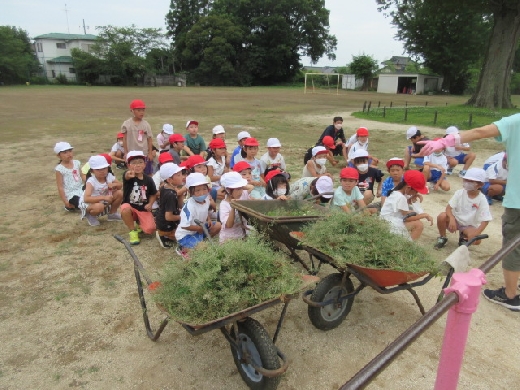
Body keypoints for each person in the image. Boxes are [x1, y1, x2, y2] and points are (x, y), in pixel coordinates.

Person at [418, 114, 520, 310]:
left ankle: (510, 295)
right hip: (463, 220)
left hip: (518, 201)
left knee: (513, 247)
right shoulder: (461, 193)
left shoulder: (516, 121)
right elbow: (449, 207)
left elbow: (480, 132)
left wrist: (444, 141)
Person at [434, 167, 491, 250]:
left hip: (468, 225)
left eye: (471, 181)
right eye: (466, 180)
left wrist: (476, 234)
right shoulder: (460, 193)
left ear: (480, 184)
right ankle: (442, 237)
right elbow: (449, 208)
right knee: (442, 216)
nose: (467, 183)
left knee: (477, 240)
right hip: (456, 220)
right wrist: (452, 218)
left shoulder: (482, 199)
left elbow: (485, 220)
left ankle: (463, 237)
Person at [175, 173, 221, 257]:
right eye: (197, 190)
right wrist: (199, 228)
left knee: (217, 225)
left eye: (204, 189)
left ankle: (199, 242)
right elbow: (184, 226)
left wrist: (209, 219)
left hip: (200, 229)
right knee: (202, 249)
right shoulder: (189, 207)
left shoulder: (206, 198)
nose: (202, 193)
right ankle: (182, 248)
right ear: (190, 192)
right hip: (186, 235)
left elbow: (204, 210)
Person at [380, 170, 433, 241]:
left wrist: (412, 198)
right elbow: (406, 218)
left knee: (414, 217)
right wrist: (423, 215)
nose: (416, 193)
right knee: (419, 225)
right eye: (416, 191)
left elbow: (402, 204)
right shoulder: (401, 198)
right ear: (408, 188)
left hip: (384, 220)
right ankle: (409, 245)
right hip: (391, 224)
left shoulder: (395, 192)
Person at [121, 151, 158, 245]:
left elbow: (153, 194)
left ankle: (139, 223)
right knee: (125, 208)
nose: (137, 165)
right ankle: (132, 231)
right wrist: (128, 174)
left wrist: (150, 204)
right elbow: (127, 175)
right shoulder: (128, 176)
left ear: (145, 164)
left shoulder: (149, 179)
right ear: (129, 165)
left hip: (143, 209)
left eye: (140, 162)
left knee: (150, 229)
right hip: (131, 208)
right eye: (134, 163)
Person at [80, 155, 123, 226]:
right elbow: (86, 198)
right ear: (92, 171)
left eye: (104, 168)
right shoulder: (91, 181)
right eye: (98, 169)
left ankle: (112, 213)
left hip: (103, 201)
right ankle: (91, 215)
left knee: (119, 193)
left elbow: (120, 185)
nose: (102, 171)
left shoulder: (109, 176)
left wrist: (114, 185)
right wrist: (103, 197)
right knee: (99, 206)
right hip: (91, 203)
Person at [121, 99, 154, 175]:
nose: (141, 112)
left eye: (143, 110)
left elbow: (149, 139)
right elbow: (124, 138)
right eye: (138, 110)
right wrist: (126, 152)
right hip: (131, 152)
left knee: (147, 172)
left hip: (143, 152)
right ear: (132, 111)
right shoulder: (127, 124)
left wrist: (150, 153)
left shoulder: (146, 125)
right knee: (133, 172)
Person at [155, 163, 184, 248]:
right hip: (166, 223)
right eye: (178, 175)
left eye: (181, 174)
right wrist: (182, 217)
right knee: (184, 238)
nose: (182, 176)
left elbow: (180, 205)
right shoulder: (170, 194)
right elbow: (168, 217)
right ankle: (164, 234)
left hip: (163, 218)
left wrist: (181, 194)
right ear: (169, 180)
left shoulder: (165, 186)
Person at [219, 171, 251, 243]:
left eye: (241, 188)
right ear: (228, 190)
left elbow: (251, 187)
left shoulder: (243, 195)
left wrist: (242, 187)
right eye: (237, 189)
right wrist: (233, 206)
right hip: (228, 239)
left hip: (242, 236)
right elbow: (229, 225)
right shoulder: (224, 205)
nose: (240, 192)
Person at [54, 142, 83, 212]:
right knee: (81, 202)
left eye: (70, 151)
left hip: (81, 188)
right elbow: (60, 187)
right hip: (71, 193)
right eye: (65, 152)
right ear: (59, 155)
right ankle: (71, 205)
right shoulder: (59, 169)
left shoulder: (76, 163)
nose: (69, 154)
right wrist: (65, 201)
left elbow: (82, 175)